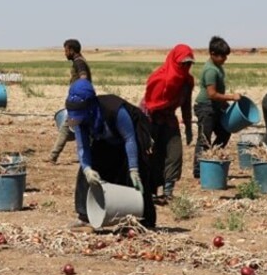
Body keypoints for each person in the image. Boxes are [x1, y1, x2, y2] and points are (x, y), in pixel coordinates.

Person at [64, 79, 156, 230]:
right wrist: (87, 169)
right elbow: (83, 147)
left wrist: (133, 169)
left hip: (130, 136)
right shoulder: (79, 118)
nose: (77, 117)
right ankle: (85, 215)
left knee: (136, 177)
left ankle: (144, 221)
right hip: (107, 138)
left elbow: (129, 139)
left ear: (91, 106)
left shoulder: (114, 110)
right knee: (88, 171)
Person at [141, 44, 194, 203]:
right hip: (150, 117)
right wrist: (147, 133)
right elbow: (149, 106)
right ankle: (150, 191)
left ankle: (168, 191)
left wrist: (189, 127)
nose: (185, 67)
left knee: (174, 153)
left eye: (188, 64)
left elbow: (186, 104)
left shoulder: (187, 82)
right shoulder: (160, 78)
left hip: (169, 118)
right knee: (154, 155)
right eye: (182, 64)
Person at [192, 36, 243, 178]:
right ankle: (199, 170)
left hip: (214, 107)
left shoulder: (218, 68)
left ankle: (211, 158)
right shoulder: (211, 71)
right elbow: (212, 94)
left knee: (225, 132)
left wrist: (226, 105)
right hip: (206, 107)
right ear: (212, 54)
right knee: (204, 139)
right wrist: (231, 97)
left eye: (226, 56)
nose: (224, 59)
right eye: (222, 56)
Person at [48, 39, 92, 164]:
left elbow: (84, 77)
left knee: (65, 128)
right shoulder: (80, 61)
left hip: (78, 103)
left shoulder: (79, 63)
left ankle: (53, 156)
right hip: (84, 102)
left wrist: (78, 95)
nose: (65, 53)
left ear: (72, 50)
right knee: (83, 129)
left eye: (66, 50)